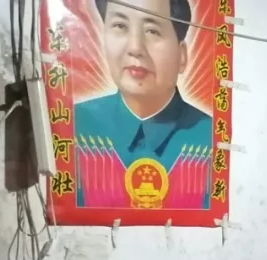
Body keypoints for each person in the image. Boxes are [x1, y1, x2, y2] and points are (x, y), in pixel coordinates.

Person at [76, 0, 212, 185]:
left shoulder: (211, 138)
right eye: (120, 26)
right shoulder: (75, 126)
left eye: (152, 31)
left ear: (181, 56)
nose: (135, 48)